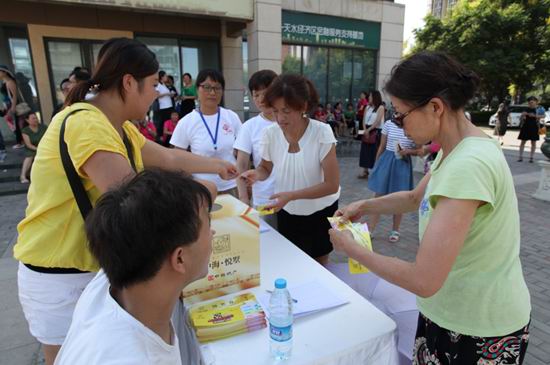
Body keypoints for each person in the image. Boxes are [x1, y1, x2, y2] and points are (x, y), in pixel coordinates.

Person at [13, 37, 236, 365]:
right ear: (129, 83)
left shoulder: (116, 127)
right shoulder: (86, 125)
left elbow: (169, 159)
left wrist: (219, 167)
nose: (157, 93)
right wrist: (202, 195)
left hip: (92, 266)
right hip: (57, 275)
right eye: (153, 85)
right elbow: (140, 203)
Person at [330, 51, 531, 364]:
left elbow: (424, 279)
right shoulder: (455, 149)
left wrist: (354, 250)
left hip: (477, 328)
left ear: (435, 107)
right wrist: (365, 204)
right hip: (450, 313)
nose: (398, 124)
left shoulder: (469, 164)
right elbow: (413, 198)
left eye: (400, 115)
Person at [54, 169, 212, 365]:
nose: (213, 233)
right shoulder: (132, 357)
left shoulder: (117, 274)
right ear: (179, 259)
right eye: (208, 224)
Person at [240, 74, 340, 265]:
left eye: (286, 111)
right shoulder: (271, 134)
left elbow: (331, 185)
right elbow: (265, 167)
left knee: (320, 261)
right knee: (292, 262)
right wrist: (256, 174)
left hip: (320, 210)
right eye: (276, 111)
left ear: (302, 106)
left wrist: (291, 195)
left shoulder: (322, 132)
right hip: (287, 211)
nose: (279, 118)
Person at [170, 69, 242, 196]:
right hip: (202, 189)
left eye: (217, 88)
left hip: (231, 186)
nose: (212, 92)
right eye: (207, 87)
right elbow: (177, 158)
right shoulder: (186, 122)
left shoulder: (231, 117)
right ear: (197, 90)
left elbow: (242, 151)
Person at [234, 69, 278, 225]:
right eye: (256, 95)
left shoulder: (291, 122)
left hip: (293, 199)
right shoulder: (249, 127)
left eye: (265, 93)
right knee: (268, 243)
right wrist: (244, 198)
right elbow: (241, 165)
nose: (260, 99)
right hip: (265, 200)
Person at [367, 118, 417, 242]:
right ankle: (370, 230)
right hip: (387, 160)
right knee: (378, 196)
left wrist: (408, 151)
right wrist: (376, 164)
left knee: (400, 197)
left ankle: (395, 230)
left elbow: (419, 148)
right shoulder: (388, 124)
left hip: (403, 161)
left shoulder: (413, 124)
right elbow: (382, 146)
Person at [358, 90, 385, 179]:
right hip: (367, 130)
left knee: (375, 152)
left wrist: (369, 130)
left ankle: (375, 171)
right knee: (365, 151)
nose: (368, 98)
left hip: (375, 131)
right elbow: (363, 119)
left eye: (370, 97)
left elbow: (377, 121)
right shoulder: (367, 107)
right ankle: (365, 171)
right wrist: (365, 130)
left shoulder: (381, 108)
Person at [0, 64, 24, 149]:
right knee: (14, 122)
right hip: (8, 105)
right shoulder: (5, 82)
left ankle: (20, 141)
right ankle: (21, 140)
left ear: (5, 72)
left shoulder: (10, 82)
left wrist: (13, 107)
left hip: (13, 105)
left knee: (17, 123)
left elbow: (14, 96)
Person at [20, 112, 47, 183]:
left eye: (36, 118)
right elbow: (28, 145)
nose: (35, 120)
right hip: (31, 148)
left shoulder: (43, 127)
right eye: (33, 118)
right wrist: (38, 149)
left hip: (44, 147)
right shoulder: (25, 130)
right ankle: (23, 176)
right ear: (27, 120)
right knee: (30, 156)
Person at [518, 96, 542, 163]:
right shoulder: (526, 109)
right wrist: (522, 115)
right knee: (523, 142)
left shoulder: (539, 109)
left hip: (534, 127)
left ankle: (531, 157)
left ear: (536, 102)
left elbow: (543, 116)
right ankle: (520, 157)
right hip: (525, 127)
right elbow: (520, 119)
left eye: (532, 102)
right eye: (529, 102)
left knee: (533, 143)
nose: (531, 103)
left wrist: (534, 116)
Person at [154, 70, 174, 142]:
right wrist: (167, 94)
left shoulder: (164, 85)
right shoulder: (158, 85)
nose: (167, 77)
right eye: (165, 76)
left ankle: (168, 138)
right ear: (162, 77)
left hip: (169, 105)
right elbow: (156, 95)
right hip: (164, 107)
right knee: (164, 122)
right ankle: (162, 137)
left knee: (169, 122)